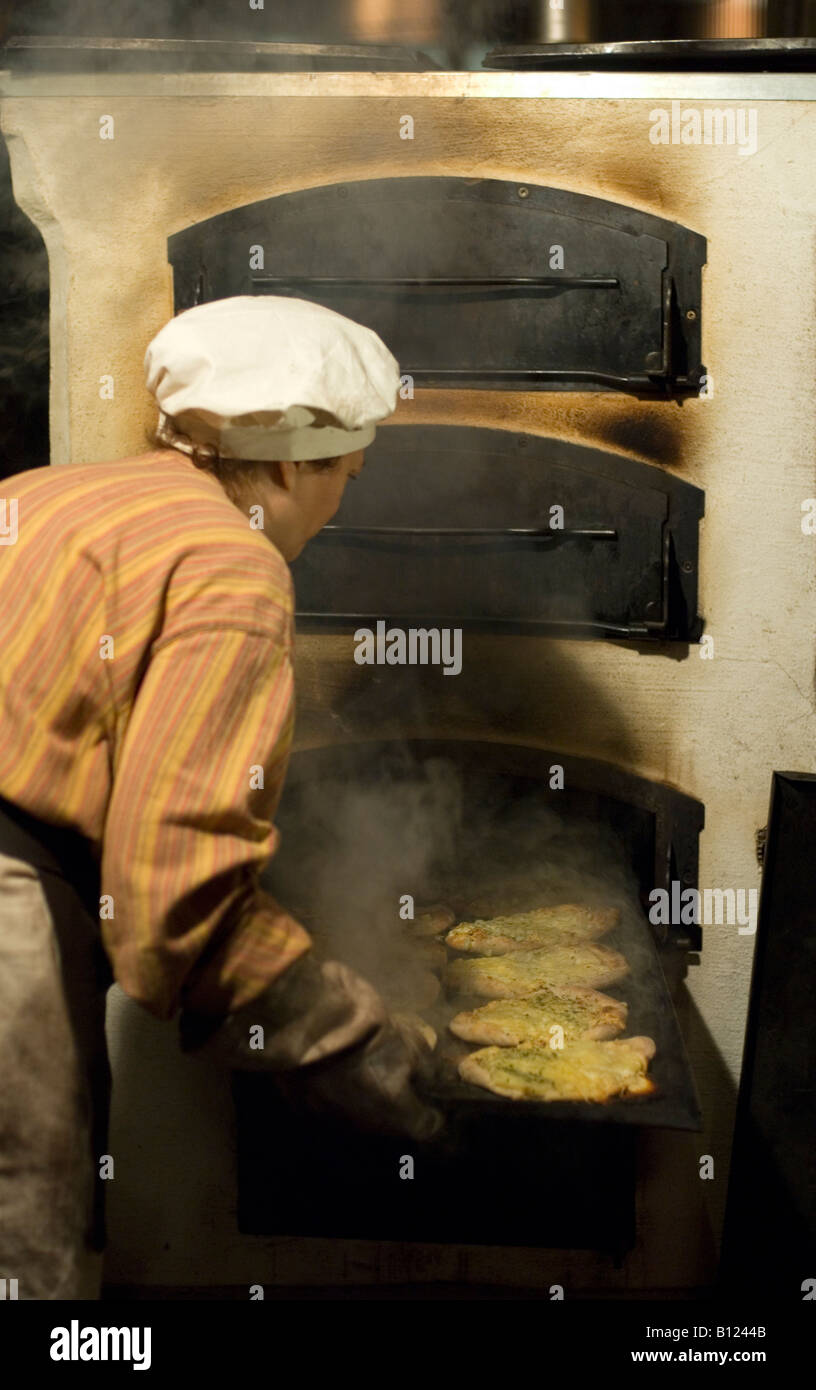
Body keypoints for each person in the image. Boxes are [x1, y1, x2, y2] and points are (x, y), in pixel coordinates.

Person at [0, 295, 441, 1301]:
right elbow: (174, 888)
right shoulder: (232, 566)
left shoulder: (45, 492)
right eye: (344, 475)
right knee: (24, 1273)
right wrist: (344, 1037)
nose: (338, 509)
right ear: (290, 463)